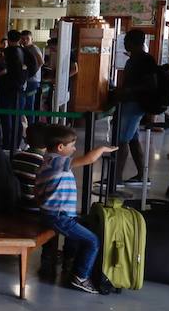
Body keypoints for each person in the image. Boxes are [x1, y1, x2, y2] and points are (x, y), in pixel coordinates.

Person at [35, 124, 117, 293]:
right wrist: (101, 148)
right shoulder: (56, 161)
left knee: (80, 231)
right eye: (71, 146)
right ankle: (81, 276)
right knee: (93, 241)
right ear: (60, 147)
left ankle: (70, 262)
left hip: (57, 215)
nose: (74, 149)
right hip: (58, 216)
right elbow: (88, 159)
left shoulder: (49, 161)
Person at [115, 29, 158, 184]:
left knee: (122, 140)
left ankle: (116, 178)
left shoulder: (145, 60)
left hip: (135, 104)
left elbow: (151, 84)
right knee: (132, 140)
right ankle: (142, 175)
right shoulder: (134, 59)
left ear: (134, 42)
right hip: (130, 102)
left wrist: (129, 90)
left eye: (126, 41)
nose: (125, 44)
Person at [0, 30, 27, 146]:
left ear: (8, 39)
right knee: (16, 118)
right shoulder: (24, 51)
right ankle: (16, 143)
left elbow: (4, 69)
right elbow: (34, 64)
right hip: (20, 87)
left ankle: (8, 143)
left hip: (7, 88)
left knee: (6, 117)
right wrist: (24, 76)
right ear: (19, 39)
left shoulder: (7, 52)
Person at [19, 30, 44, 114]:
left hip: (33, 80)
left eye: (27, 39)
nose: (25, 41)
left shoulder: (34, 48)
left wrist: (31, 73)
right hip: (27, 79)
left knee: (29, 105)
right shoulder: (24, 49)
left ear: (31, 39)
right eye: (23, 39)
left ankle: (31, 124)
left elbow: (41, 62)